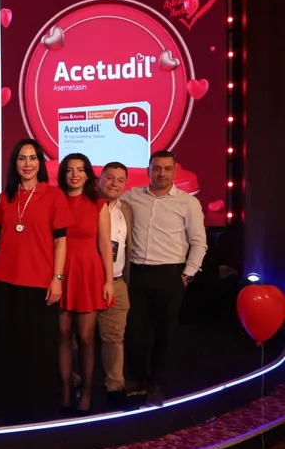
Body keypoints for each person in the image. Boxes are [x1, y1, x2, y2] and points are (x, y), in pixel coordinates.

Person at [0, 139, 72, 422]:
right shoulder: (5, 197)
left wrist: (57, 278)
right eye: (22, 158)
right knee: (7, 345)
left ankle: (38, 408)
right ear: (15, 163)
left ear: (40, 163)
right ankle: (6, 406)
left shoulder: (53, 195)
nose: (27, 164)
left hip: (40, 282)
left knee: (39, 347)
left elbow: (61, 242)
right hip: (5, 281)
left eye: (33, 158)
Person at [123, 150, 207, 406]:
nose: (161, 173)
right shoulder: (131, 196)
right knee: (134, 333)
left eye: (167, 169)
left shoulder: (187, 202)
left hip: (170, 275)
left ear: (174, 171)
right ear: (148, 170)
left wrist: (187, 275)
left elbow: (199, 242)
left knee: (166, 334)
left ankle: (157, 384)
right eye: (157, 168)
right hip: (137, 274)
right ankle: (135, 380)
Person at [57, 153, 113, 414]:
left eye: (80, 170)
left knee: (86, 336)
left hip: (89, 273)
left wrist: (108, 281)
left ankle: (88, 390)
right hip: (60, 272)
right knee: (63, 335)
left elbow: (105, 245)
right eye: (70, 170)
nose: (75, 175)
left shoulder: (99, 204)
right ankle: (66, 389)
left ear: (88, 174)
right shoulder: (55, 201)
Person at [97, 162, 134, 407]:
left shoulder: (126, 209)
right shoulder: (87, 205)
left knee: (114, 338)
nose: (114, 184)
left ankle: (115, 386)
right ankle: (77, 384)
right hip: (87, 281)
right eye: (109, 178)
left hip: (118, 282)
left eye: (120, 180)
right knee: (78, 338)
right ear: (99, 179)